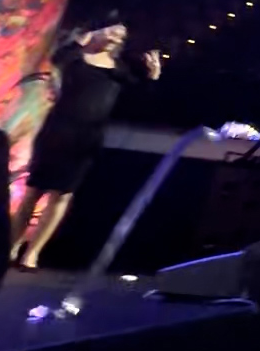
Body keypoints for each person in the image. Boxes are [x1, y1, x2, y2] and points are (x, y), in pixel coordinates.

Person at [10, 20, 161, 270]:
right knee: (33, 192)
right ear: (98, 30)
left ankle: (32, 253)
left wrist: (152, 77)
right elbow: (59, 56)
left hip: (86, 138)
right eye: (112, 29)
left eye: (121, 34)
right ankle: (11, 246)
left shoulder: (119, 70)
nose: (116, 35)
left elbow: (140, 101)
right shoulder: (75, 58)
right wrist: (84, 39)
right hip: (56, 131)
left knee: (62, 196)